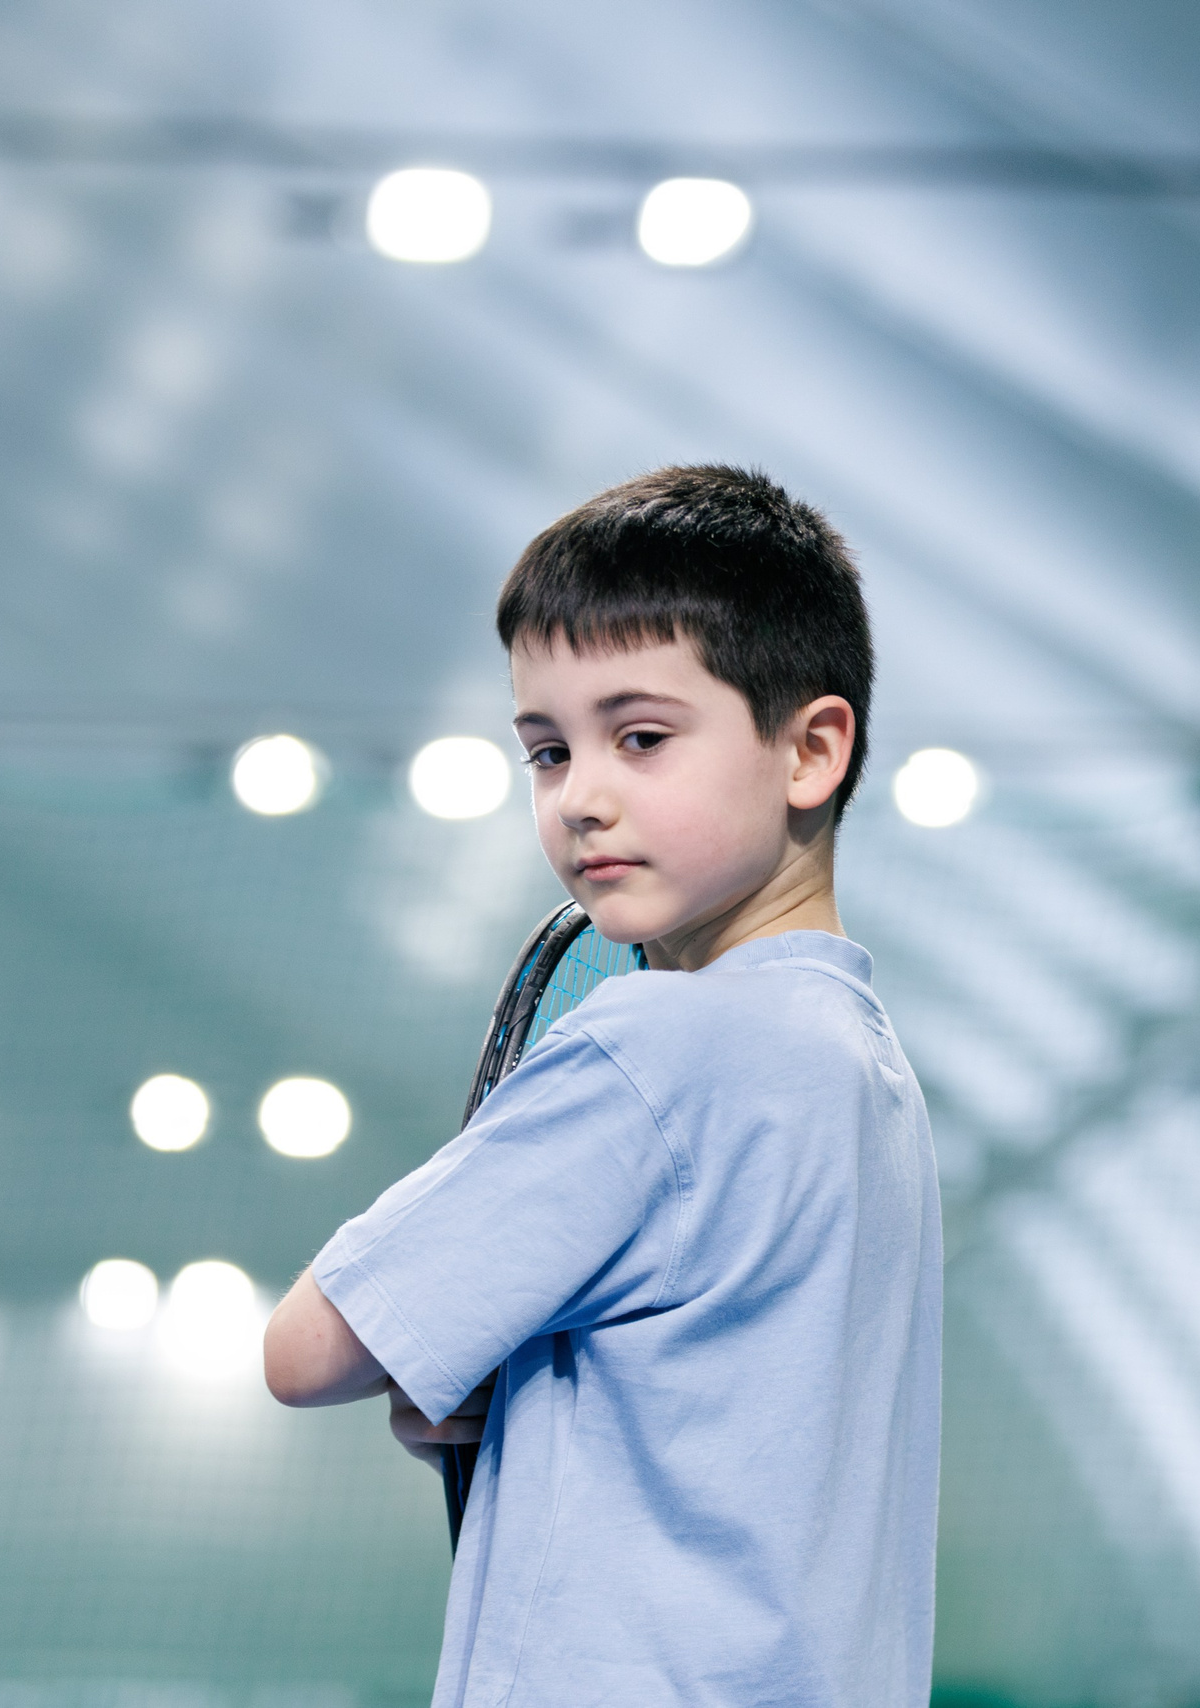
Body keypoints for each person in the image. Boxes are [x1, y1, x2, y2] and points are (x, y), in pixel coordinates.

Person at [262, 465, 942, 1707]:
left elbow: (307, 1346)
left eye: (641, 737)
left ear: (812, 748)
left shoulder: (655, 1049)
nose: (582, 795)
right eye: (545, 750)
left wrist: (461, 1375)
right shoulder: (865, 1075)